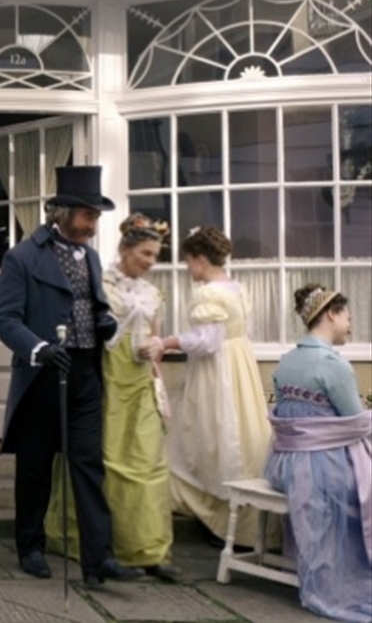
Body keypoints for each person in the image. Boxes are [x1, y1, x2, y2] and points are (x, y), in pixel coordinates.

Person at [0, 165, 143, 589]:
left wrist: (106, 322)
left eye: (96, 215)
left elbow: (92, 306)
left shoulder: (90, 256)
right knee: (36, 467)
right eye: (87, 214)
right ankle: (30, 547)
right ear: (60, 211)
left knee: (88, 465)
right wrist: (39, 349)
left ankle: (99, 559)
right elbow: (4, 319)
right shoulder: (22, 256)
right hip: (43, 373)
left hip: (85, 375)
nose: (94, 223)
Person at [44, 213, 182, 581]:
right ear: (124, 248)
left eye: (155, 255)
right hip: (105, 379)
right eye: (145, 253)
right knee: (104, 463)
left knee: (148, 465)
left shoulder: (153, 293)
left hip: (140, 385)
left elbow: (156, 335)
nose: (151, 262)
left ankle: (150, 551)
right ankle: (98, 547)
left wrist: (156, 350)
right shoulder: (99, 283)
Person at [158, 226, 274, 548]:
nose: (186, 268)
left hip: (217, 373)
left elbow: (207, 343)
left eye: (187, 261)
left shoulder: (209, 293)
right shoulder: (235, 288)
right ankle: (241, 524)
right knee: (239, 438)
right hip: (240, 367)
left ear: (199, 259)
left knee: (213, 437)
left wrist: (168, 341)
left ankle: (224, 521)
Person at [263, 285, 371, 623]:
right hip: (321, 466)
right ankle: (346, 574)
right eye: (348, 318)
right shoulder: (333, 365)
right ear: (331, 315)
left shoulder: (287, 361)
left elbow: (286, 414)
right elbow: (356, 423)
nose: (351, 326)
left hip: (285, 464)